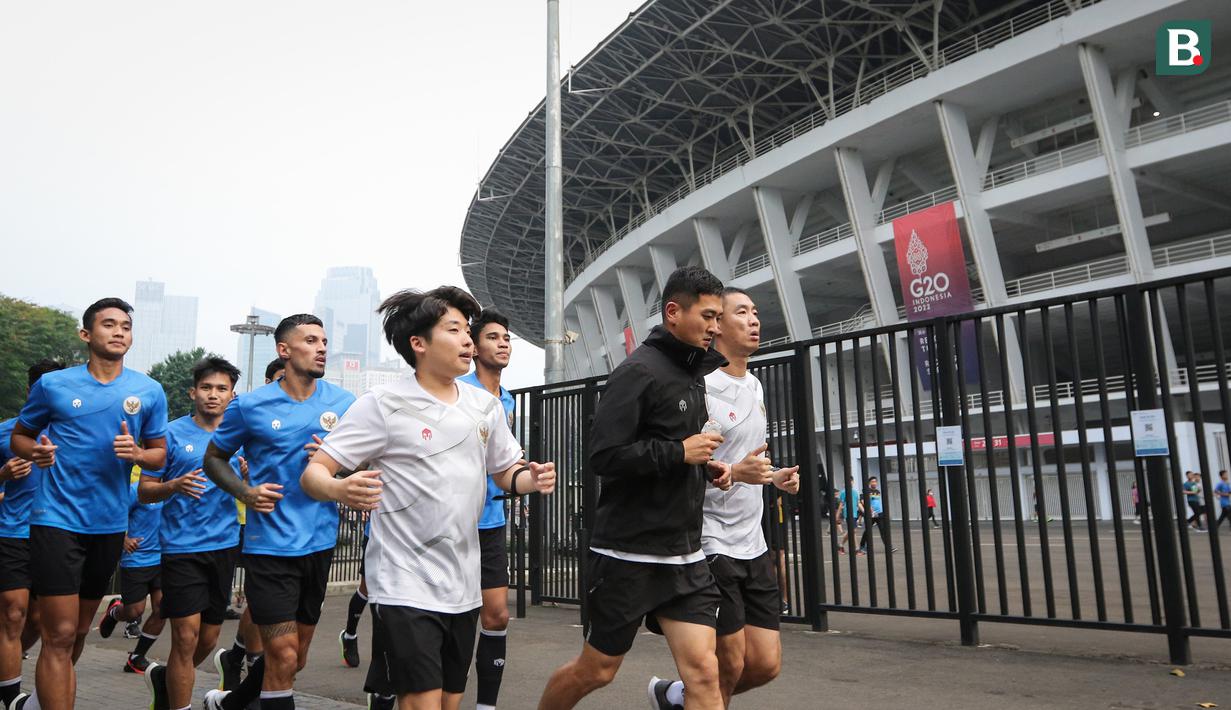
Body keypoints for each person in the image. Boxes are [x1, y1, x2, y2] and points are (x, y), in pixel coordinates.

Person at [299, 286, 556, 710]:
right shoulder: (383, 404)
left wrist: (532, 478)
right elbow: (314, 473)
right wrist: (341, 488)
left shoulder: (484, 407)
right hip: (403, 583)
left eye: (467, 331)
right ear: (418, 344)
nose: (467, 340)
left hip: (463, 584)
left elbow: (506, 472)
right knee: (422, 701)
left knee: (449, 701)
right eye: (453, 330)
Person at [538, 266, 731, 710]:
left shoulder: (692, 373)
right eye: (707, 316)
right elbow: (604, 457)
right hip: (628, 556)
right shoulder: (636, 372)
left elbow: (676, 449)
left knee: (704, 672)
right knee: (597, 671)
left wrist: (704, 467)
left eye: (719, 318)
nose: (715, 328)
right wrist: (679, 454)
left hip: (685, 557)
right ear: (673, 312)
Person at [8, 297, 169, 710]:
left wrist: (136, 454)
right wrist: (35, 453)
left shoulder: (148, 391)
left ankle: (38, 702)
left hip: (109, 525)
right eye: (109, 324)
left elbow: (159, 455)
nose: (119, 332)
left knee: (78, 630)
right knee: (58, 632)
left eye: (126, 326)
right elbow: (21, 437)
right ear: (86, 334)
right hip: (56, 519)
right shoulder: (55, 385)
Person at [646, 286, 800, 709]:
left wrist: (774, 476)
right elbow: (685, 465)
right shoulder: (701, 389)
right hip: (710, 539)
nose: (754, 320)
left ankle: (676, 696)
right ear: (717, 327)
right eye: (742, 313)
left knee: (765, 664)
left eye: (755, 312)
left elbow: (747, 460)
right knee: (727, 664)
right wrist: (733, 473)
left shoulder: (755, 385)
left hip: (753, 542)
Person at [201, 314, 355, 710]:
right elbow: (215, 458)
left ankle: (230, 704)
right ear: (284, 350)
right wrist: (246, 492)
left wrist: (339, 464)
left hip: (320, 544)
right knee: (283, 655)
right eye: (310, 340)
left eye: (324, 340)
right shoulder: (250, 405)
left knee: (294, 658)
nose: (322, 347)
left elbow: (365, 464)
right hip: (269, 548)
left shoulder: (344, 403)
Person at [138, 357, 248, 710]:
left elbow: (255, 486)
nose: (213, 395)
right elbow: (145, 491)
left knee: (208, 639)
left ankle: (164, 678)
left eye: (221, 389)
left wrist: (249, 478)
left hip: (224, 545)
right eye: (206, 388)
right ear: (192, 392)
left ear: (232, 395)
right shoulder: (170, 434)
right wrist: (173, 485)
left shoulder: (240, 438)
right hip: (181, 548)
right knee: (185, 637)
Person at [458, 308, 517, 710]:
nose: (503, 343)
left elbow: (501, 459)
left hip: (492, 521)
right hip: (453, 524)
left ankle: (486, 706)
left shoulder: (507, 399)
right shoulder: (456, 390)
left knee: (496, 616)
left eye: (506, 338)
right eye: (493, 337)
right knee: (456, 622)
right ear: (474, 346)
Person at [0, 360, 65, 708]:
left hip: (58, 534)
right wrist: (4, 473)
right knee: (13, 612)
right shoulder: (7, 433)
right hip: (13, 532)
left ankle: (5, 668)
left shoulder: (73, 434)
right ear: (32, 392)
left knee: (39, 620)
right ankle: (11, 698)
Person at [217, 359, 283, 694]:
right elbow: (221, 462)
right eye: (281, 379)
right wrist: (244, 483)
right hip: (248, 521)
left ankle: (238, 655)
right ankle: (251, 660)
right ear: (269, 380)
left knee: (261, 605)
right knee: (260, 601)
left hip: (290, 528)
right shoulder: (249, 414)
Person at [97, 477, 166, 675]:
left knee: (163, 608)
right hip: (138, 559)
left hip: (163, 558)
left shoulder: (172, 488)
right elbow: (111, 516)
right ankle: (115, 612)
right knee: (134, 611)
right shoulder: (136, 490)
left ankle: (137, 657)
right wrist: (123, 539)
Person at [858, 477, 896, 554]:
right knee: (867, 531)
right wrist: (869, 507)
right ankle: (862, 546)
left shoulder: (878, 492)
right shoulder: (866, 490)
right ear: (869, 483)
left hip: (879, 514)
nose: (874, 483)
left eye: (875, 481)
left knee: (883, 531)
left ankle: (889, 547)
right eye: (872, 481)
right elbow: (862, 501)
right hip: (870, 514)